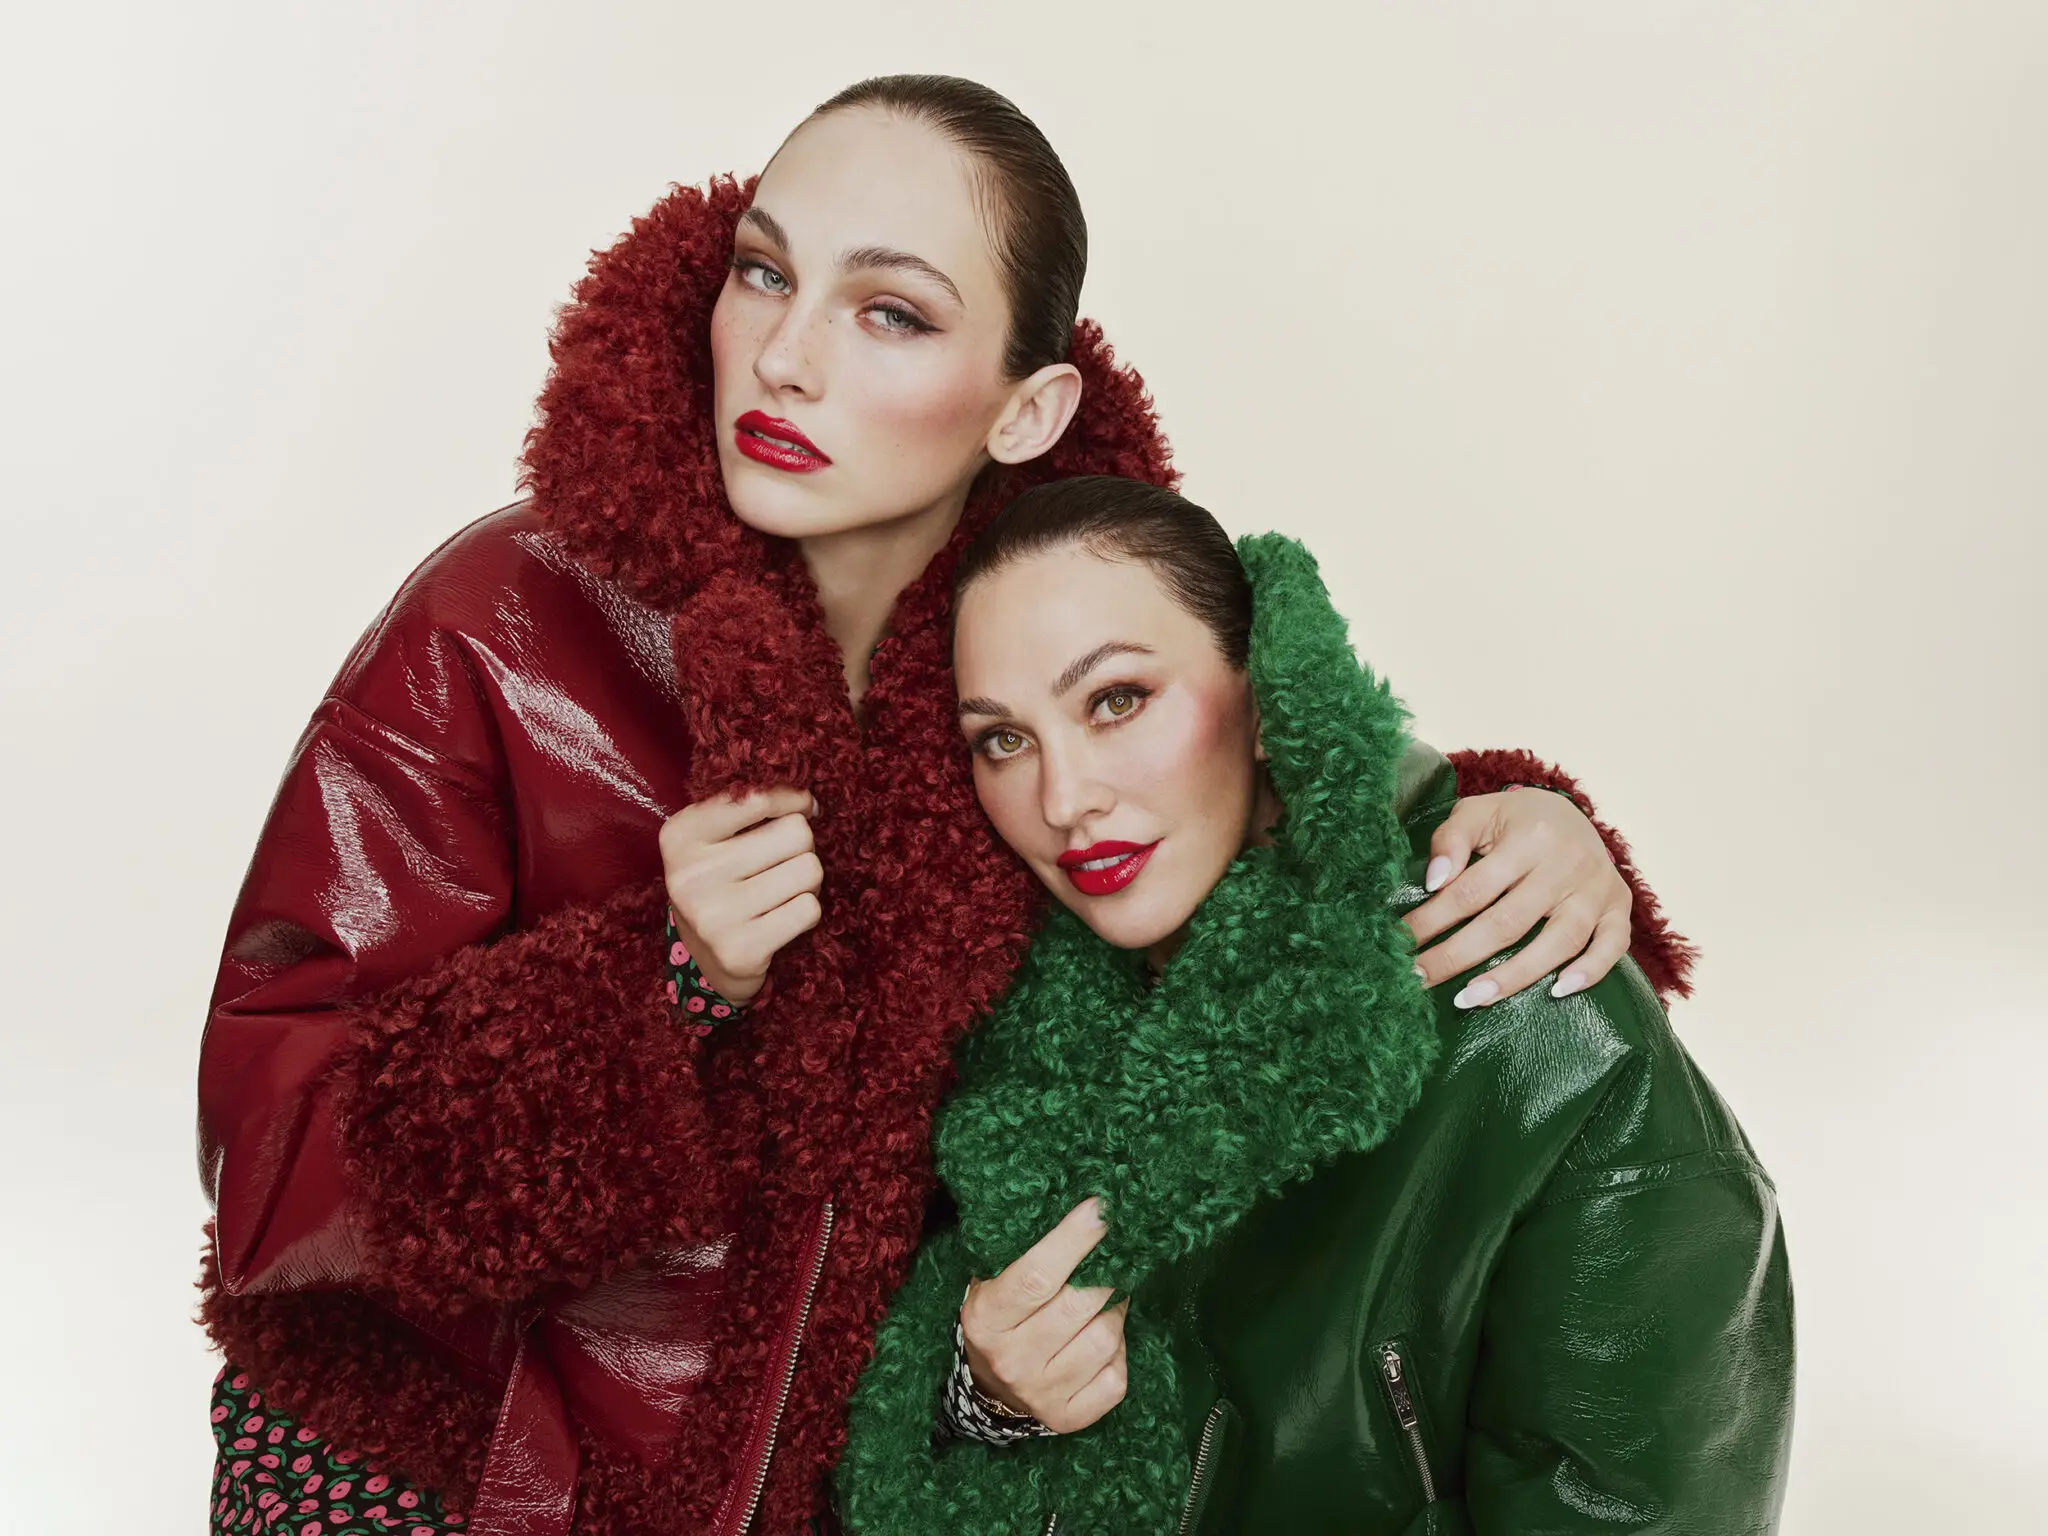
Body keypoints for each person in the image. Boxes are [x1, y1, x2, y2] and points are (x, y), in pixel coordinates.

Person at [195, 78, 1694, 1536]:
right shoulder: (500, 628)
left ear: (1028, 410)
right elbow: (271, 1176)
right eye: (764, 273)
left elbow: (1230, 791)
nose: (783, 358)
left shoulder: (1045, 651)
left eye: (890, 312)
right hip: (461, 1467)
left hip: (881, 1480)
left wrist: (1505, 824)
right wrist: (654, 990)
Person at [838, 477, 1792, 1535]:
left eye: (1116, 700)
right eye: (1002, 741)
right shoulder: (998, 1029)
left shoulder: (1543, 1031)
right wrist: (980, 1395)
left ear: (1259, 701)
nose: (1062, 799)